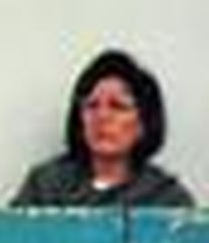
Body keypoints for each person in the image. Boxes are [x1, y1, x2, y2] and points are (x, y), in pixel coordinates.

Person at [11, 48, 195, 208]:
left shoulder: (167, 198)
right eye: (91, 106)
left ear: (143, 124)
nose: (102, 117)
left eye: (118, 106)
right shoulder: (44, 186)